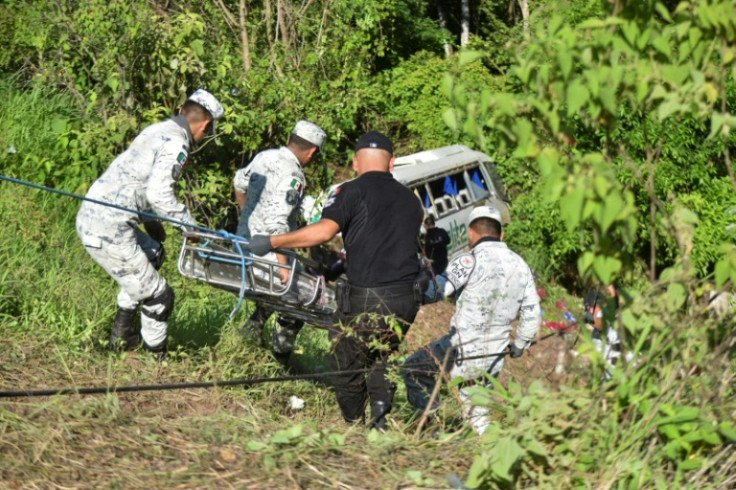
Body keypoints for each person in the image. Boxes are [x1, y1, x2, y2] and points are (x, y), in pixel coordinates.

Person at [246, 131, 424, 430]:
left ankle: (354, 428)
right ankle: (380, 427)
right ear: (392, 163)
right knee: (381, 355)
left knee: (345, 365)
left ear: (355, 163)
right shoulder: (412, 201)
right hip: (407, 298)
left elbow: (324, 231)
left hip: (368, 296)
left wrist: (274, 241)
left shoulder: (350, 191)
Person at [76, 89, 224, 357]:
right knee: (161, 297)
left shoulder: (155, 130)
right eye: (209, 130)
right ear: (205, 124)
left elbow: (137, 181)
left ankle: (122, 336)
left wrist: (151, 220)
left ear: (182, 111)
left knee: (153, 253)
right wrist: (190, 228)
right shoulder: (178, 143)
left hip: (94, 215)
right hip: (110, 228)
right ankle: (155, 359)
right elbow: (158, 193)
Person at [403, 205, 542, 435]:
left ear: (470, 233)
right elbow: (532, 311)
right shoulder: (521, 265)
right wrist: (520, 344)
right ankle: (479, 448)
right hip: (496, 352)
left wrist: (411, 292)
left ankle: (434, 429)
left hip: (461, 349)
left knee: (415, 368)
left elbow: (438, 290)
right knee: (477, 410)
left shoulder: (468, 261)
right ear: (501, 234)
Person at [233, 120, 326, 363]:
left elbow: (238, 183)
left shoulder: (265, 157)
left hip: (244, 244)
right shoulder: (294, 175)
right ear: (313, 151)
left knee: (282, 289)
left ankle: (251, 331)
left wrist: (246, 219)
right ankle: (280, 356)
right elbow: (278, 225)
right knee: (303, 299)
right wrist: (284, 268)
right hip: (269, 254)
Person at [422, 215, 451, 301]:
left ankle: (439, 298)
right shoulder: (442, 232)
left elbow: (422, 250)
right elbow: (448, 241)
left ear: (425, 225)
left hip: (432, 265)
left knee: (433, 282)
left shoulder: (425, 237)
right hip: (444, 262)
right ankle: (445, 296)